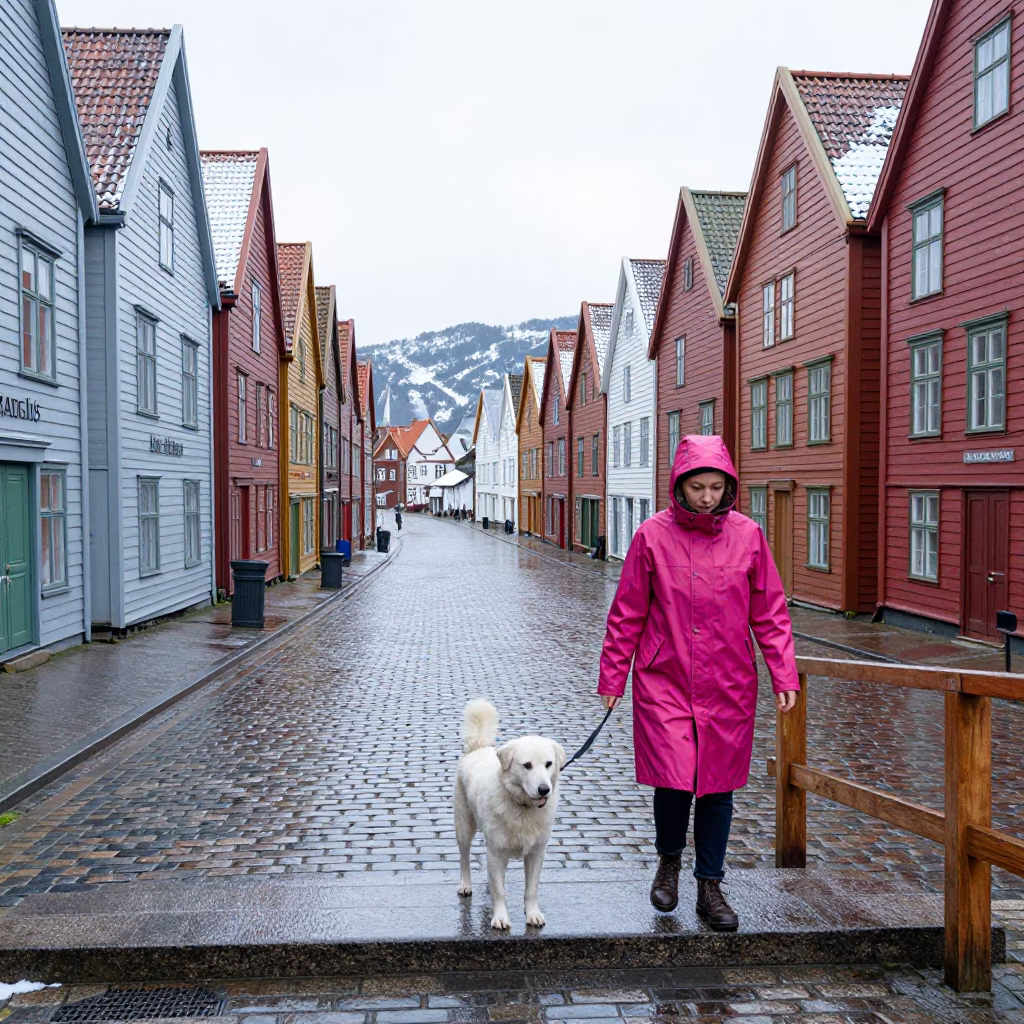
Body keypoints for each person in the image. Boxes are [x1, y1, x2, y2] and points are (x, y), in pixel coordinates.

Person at [597, 435, 798, 932]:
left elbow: (769, 611)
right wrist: (613, 675)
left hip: (728, 680)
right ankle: (669, 861)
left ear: (729, 486)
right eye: (697, 487)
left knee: (717, 786)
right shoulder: (651, 536)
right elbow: (627, 612)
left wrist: (783, 672)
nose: (707, 497)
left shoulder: (748, 536)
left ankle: (710, 885)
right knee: (673, 778)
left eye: (715, 487)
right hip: (664, 677)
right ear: (679, 485)